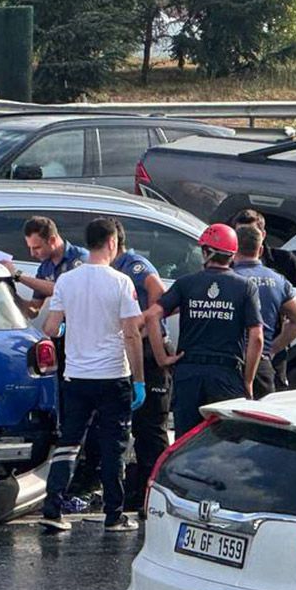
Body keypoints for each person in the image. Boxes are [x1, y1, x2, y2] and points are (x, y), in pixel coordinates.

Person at [39, 217, 146, 533]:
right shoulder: (121, 282)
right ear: (112, 243)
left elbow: (50, 327)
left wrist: (69, 327)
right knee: (114, 446)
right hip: (113, 375)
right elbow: (130, 334)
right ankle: (114, 515)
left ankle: (53, 508)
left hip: (76, 376)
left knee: (69, 442)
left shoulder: (67, 281)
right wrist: (138, 379)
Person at [144, 224, 264, 438]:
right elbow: (257, 338)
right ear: (232, 255)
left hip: (189, 372)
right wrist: (248, 380)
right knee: (225, 443)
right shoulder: (245, 287)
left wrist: (162, 358)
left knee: (186, 442)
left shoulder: (186, 284)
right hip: (226, 374)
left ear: (207, 252)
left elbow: (152, 315)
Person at [111, 220, 172, 514]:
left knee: (150, 428)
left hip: (147, 351)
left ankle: (153, 489)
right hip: (128, 350)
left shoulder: (133, 265)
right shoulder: (111, 268)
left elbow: (157, 290)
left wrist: (145, 323)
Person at [231, 208, 296, 389]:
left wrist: (289, 315)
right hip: (235, 349)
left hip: (272, 342)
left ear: (263, 234)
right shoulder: (229, 263)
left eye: (249, 231)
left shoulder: (284, 260)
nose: (244, 237)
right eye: (239, 233)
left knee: (271, 392)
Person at [3, 216, 88, 319]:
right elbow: (33, 311)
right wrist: (10, 296)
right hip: (62, 330)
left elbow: (65, 290)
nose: (32, 254)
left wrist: (18, 275)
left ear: (52, 240)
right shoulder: (45, 268)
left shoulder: (79, 257)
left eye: (37, 248)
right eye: (29, 248)